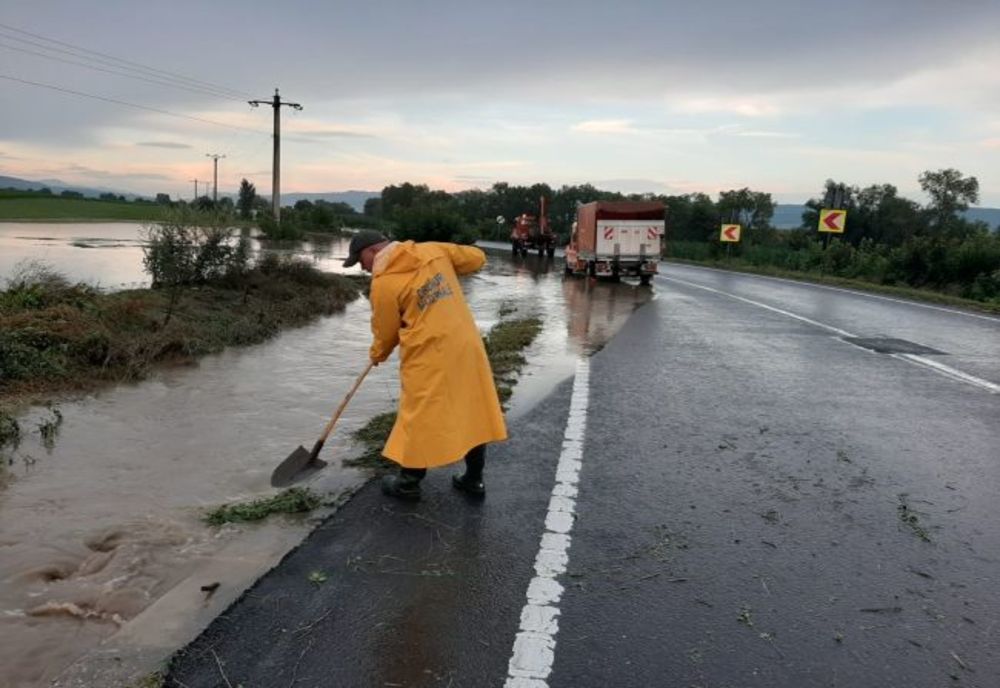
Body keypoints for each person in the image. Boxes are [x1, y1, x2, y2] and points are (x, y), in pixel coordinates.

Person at [343, 230, 507, 501]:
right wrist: (446, 265)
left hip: (429, 354)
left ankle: (408, 483)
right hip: (465, 345)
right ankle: (474, 479)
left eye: (360, 261)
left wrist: (377, 354)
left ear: (372, 251)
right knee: (472, 406)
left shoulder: (383, 284)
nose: (362, 268)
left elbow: (385, 332)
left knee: (417, 414)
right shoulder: (432, 250)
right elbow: (477, 258)